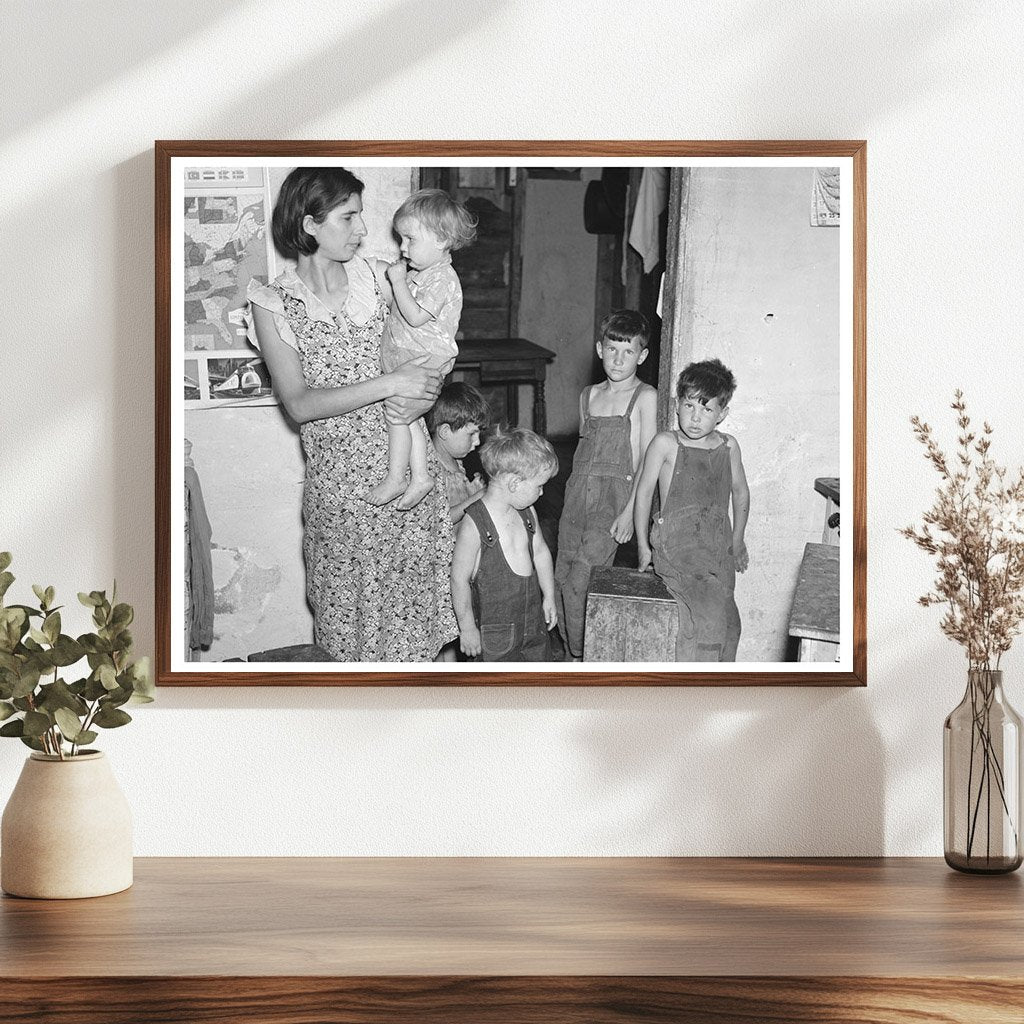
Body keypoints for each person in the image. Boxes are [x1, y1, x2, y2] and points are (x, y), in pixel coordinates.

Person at [245, 167, 457, 662]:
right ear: (310, 223)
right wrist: (391, 384)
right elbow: (298, 404)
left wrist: (425, 390)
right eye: (350, 217)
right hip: (342, 495)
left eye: (361, 215)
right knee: (349, 641)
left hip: (406, 481)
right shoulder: (273, 302)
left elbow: (434, 346)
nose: (364, 229)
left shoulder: (382, 276)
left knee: (412, 637)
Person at [554, 310, 658, 661]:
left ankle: (585, 656)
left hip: (614, 501)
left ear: (642, 356)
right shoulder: (588, 396)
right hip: (577, 497)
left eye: (628, 351)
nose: (618, 358)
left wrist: (630, 513)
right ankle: (572, 654)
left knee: (580, 579)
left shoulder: (644, 397)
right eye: (612, 349)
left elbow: (648, 460)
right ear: (600, 349)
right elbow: (583, 455)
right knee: (561, 577)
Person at [365, 189, 478, 510]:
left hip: (424, 361)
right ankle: (420, 477)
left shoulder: (443, 279)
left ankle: (397, 476)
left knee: (398, 418)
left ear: (442, 239)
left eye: (410, 239)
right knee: (408, 418)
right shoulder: (425, 274)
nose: (403, 247)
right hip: (410, 361)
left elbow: (414, 317)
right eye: (401, 239)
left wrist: (398, 281)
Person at [633, 358, 750, 662]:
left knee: (731, 623)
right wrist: (643, 547)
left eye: (706, 409)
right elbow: (644, 494)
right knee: (706, 620)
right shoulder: (665, 443)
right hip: (678, 545)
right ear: (676, 405)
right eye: (689, 407)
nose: (695, 418)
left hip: (717, 545)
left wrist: (737, 541)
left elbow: (740, 493)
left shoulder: (729, 446)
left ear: (722, 414)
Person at [451, 427, 559, 662]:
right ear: (514, 483)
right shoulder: (475, 523)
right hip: (495, 638)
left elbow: (540, 552)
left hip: (533, 625)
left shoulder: (527, 512)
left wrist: (549, 595)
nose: (541, 493)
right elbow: (459, 578)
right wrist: (467, 627)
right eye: (539, 485)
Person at [426, 381, 491, 526]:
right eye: (471, 434)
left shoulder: (457, 463)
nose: (477, 441)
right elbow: (435, 522)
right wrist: (475, 499)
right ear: (445, 432)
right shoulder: (430, 470)